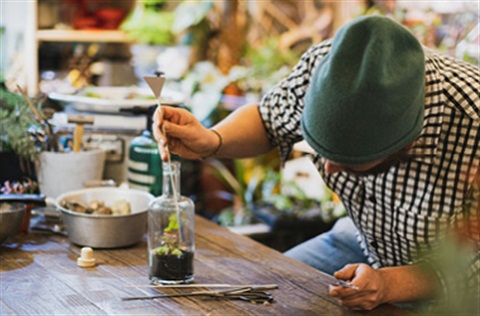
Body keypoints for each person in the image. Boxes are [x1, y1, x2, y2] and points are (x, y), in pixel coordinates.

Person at [153, 15, 479, 311]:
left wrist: (390, 284)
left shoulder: (472, 120)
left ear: (407, 144)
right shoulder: (331, 68)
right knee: (260, 299)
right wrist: (211, 141)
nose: (330, 170)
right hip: (361, 240)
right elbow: (269, 120)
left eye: (351, 163)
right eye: (321, 151)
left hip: (453, 279)